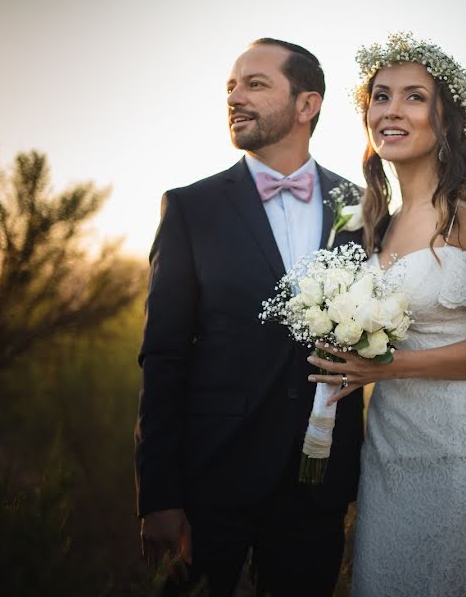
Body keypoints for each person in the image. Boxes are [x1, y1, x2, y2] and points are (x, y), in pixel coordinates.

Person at [308, 33, 466, 596]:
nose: (391, 110)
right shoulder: (378, 221)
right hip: (391, 447)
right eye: (381, 96)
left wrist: (384, 370)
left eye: (414, 97)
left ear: (445, 120)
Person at [134, 38, 366, 596]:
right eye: (231, 87)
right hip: (210, 482)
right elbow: (163, 356)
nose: (235, 96)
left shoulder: (362, 206)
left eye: (255, 84)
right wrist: (159, 495)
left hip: (317, 484)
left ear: (306, 105)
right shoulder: (191, 208)